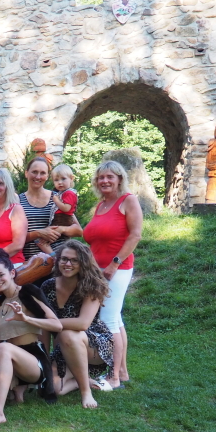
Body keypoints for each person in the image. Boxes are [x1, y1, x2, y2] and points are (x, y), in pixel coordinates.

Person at [0, 250, 62, 427]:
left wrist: (26, 319)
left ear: (12, 273)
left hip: (34, 361)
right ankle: (15, 388)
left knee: (4, 348)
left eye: (1, 275)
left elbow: (57, 325)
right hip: (10, 362)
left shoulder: (27, 293)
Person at [82, 160, 142, 388]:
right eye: (101, 177)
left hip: (117, 269)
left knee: (107, 320)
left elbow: (135, 235)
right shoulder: (101, 205)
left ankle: (113, 377)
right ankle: (123, 372)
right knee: (115, 319)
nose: (104, 181)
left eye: (109, 177)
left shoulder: (128, 200)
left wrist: (114, 264)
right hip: (98, 270)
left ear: (119, 179)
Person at [41, 240, 115, 409]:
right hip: (64, 346)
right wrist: (44, 361)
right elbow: (44, 328)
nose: (68, 264)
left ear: (83, 263)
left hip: (94, 343)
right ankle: (83, 379)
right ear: (58, 260)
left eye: (74, 260)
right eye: (64, 259)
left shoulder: (92, 285)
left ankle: (86, 392)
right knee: (56, 388)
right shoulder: (48, 286)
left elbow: (83, 323)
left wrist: (49, 323)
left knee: (67, 334)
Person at [19, 157, 83, 262]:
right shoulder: (18, 201)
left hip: (60, 262)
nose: (38, 176)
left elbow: (78, 231)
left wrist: (61, 229)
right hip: (30, 263)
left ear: (47, 176)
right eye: (34, 172)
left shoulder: (58, 197)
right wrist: (38, 233)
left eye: (42, 173)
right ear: (26, 173)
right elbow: (13, 238)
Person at [36, 164, 80, 255]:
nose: (60, 182)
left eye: (63, 179)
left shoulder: (69, 193)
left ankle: (53, 256)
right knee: (46, 239)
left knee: (41, 241)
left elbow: (66, 208)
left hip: (62, 219)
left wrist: (56, 201)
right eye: (56, 180)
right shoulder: (62, 193)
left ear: (71, 178)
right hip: (60, 218)